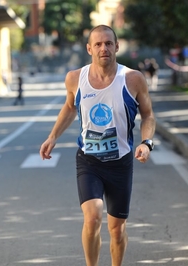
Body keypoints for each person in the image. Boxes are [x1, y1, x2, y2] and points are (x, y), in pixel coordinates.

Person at [39, 25, 155, 266]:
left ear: (117, 47)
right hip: (89, 160)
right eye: (98, 44)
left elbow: (148, 115)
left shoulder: (132, 79)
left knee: (116, 229)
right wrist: (53, 137)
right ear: (89, 48)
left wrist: (146, 142)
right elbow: (70, 107)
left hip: (120, 162)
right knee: (92, 219)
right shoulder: (75, 78)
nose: (104, 48)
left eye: (109, 43)